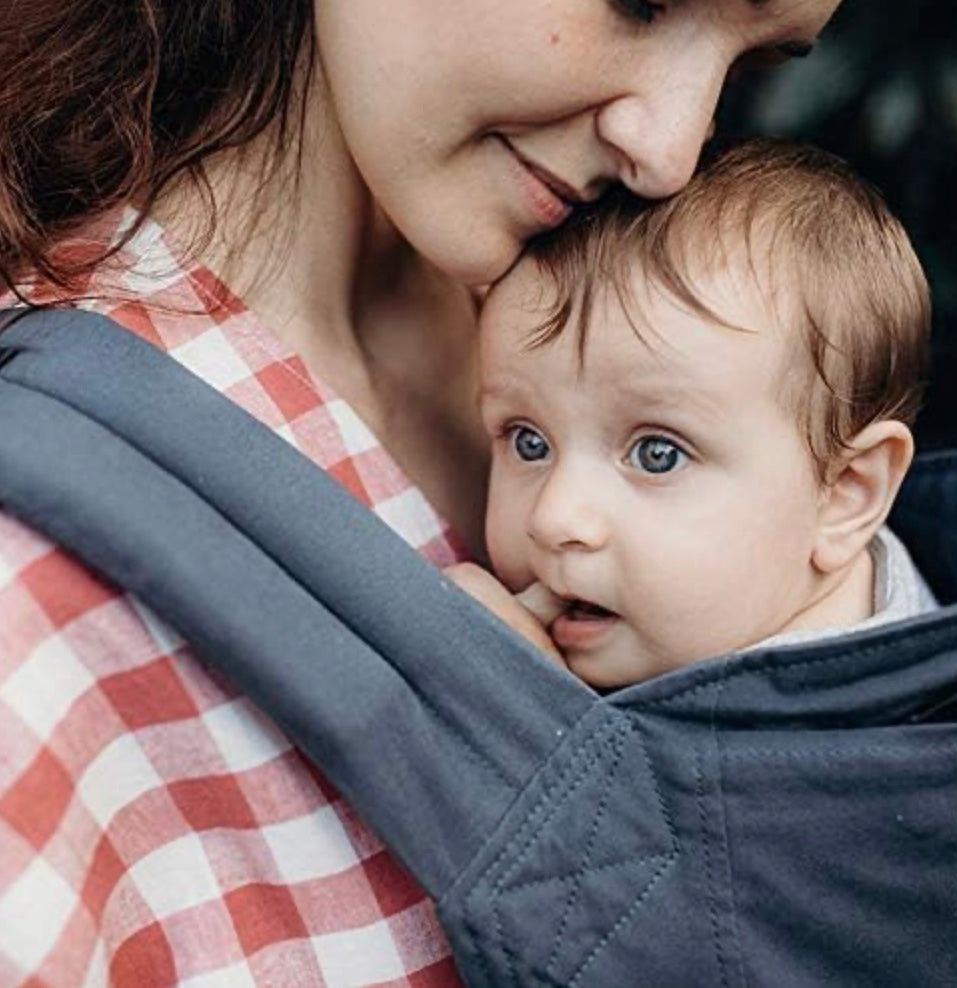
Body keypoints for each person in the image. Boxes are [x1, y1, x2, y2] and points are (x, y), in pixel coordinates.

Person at [0, 0, 845, 983]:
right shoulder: (40, 585)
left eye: (747, 71)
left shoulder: (664, 351)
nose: (667, 149)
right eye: (641, 3)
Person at [451, 139, 937, 688]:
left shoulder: (843, 755)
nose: (553, 518)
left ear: (846, 493)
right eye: (528, 442)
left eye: (657, 455)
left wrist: (496, 702)